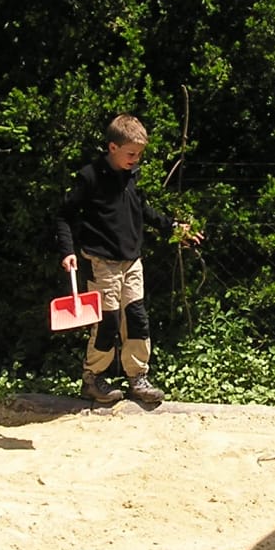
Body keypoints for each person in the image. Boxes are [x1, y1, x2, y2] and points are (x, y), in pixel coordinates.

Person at [53, 114, 200, 404]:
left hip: (132, 261)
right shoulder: (90, 177)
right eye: (131, 153)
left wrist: (173, 227)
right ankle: (93, 378)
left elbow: (143, 209)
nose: (136, 159)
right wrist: (67, 251)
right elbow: (63, 215)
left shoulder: (131, 175)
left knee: (136, 318)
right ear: (113, 147)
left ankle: (138, 378)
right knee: (107, 322)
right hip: (101, 262)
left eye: (139, 154)